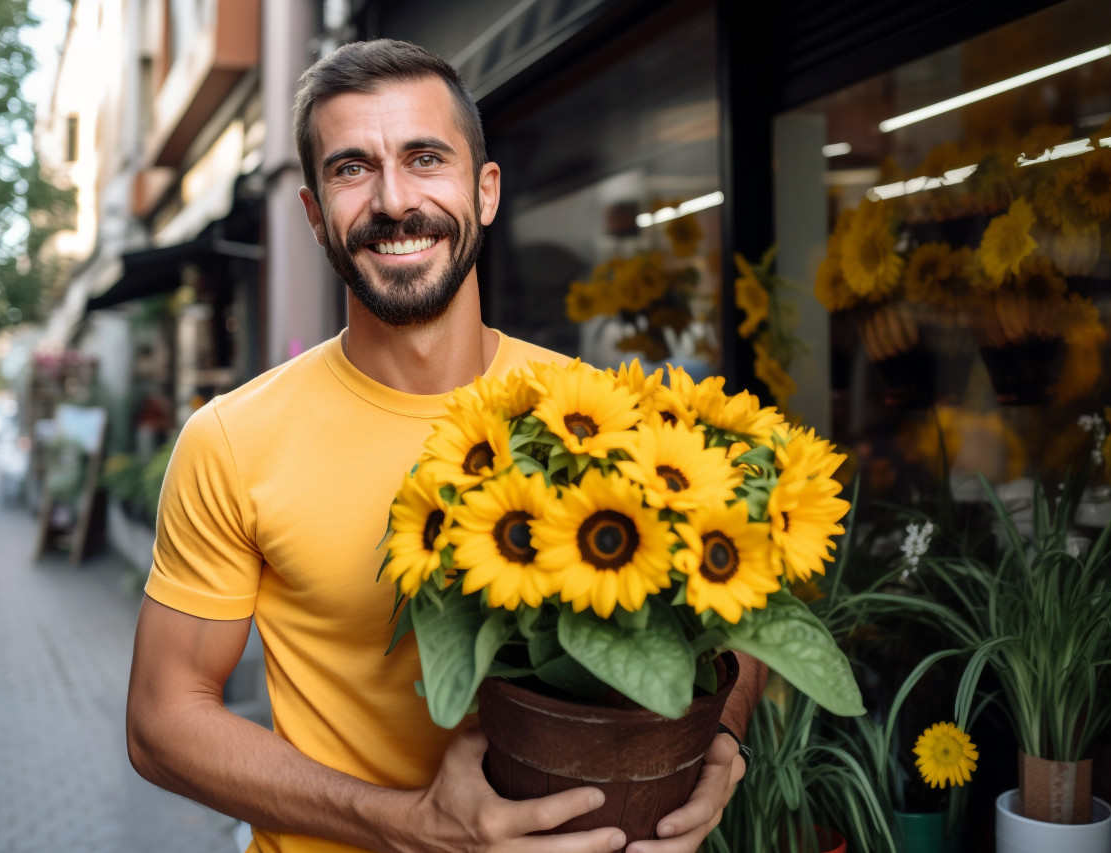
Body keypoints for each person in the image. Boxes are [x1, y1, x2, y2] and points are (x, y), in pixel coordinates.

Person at [126, 39, 764, 853]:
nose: (394, 200)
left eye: (425, 157)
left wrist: (720, 743)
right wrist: (406, 827)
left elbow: (737, 617)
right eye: (352, 169)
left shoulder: (604, 415)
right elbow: (162, 719)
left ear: (485, 189)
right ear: (316, 214)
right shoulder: (231, 439)